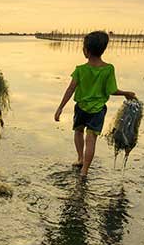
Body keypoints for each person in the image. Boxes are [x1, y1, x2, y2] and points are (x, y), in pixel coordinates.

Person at [54, 30, 136, 177]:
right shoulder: (108, 69)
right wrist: (125, 93)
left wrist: (60, 108)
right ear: (102, 50)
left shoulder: (80, 70)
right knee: (91, 139)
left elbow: (70, 89)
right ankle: (84, 171)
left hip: (81, 108)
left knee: (78, 131)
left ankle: (80, 158)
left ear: (86, 51)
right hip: (98, 111)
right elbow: (112, 90)